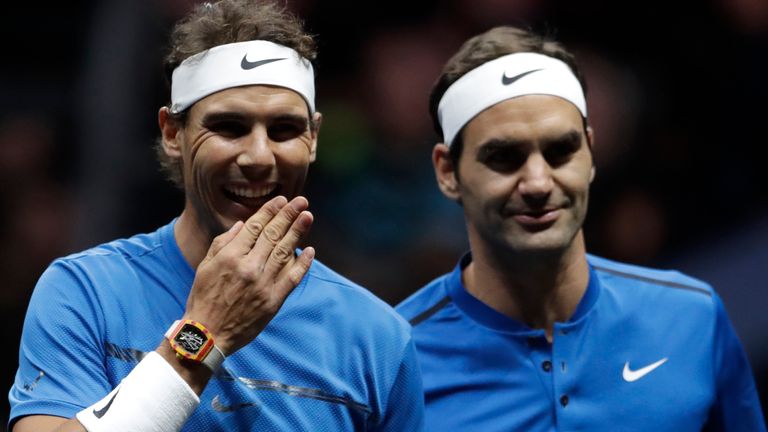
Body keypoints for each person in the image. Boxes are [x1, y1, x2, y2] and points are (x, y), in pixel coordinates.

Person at [9, 1, 424, 431]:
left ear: (313, 138)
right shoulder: (85, 292)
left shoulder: (378, 337)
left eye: (284, 130)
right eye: (229, 127)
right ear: (173, 133)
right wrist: (206, 331)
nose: (260, 157)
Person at [396, 25, 765, 431]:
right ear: (448, 171)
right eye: (504, 156)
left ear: (589, 153)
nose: (538, 183)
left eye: (560, 151)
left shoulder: (693, 318)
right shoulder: (391, 357)